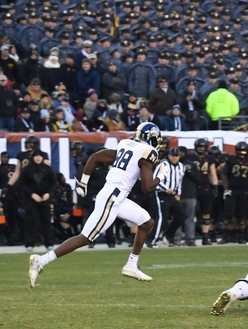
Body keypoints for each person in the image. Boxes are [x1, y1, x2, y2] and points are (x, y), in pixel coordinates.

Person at [29, 122, 162, 287]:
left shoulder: (125, 144)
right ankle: (41, 261)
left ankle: (131, 265)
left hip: (115, 196)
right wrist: (160, 177)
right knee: (85, 238)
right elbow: (147, 188)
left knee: (146, 222)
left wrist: (83, 183)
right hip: (112, 198)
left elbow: (95, 157)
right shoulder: (148, 152)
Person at [219, 141, 248, 244]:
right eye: (239, 150)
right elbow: (224, 174)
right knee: (228, 215)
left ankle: (242, 236)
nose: (241, 153)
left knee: (243, 215)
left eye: (243, 151)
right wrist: (226, 188)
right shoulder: (231, 160)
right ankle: (226, 236)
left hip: (245, 189)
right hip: (232, 189)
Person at [20, 149, 57, 250]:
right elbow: (22, 184)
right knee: (32, 220)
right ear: (32, 157)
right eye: (35, 155)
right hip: (31, 199)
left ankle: (49, 243)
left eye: (40, 156)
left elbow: (54, 183)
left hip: (45, 198)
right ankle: (30, 244)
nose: (38, 157)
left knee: (46, 221)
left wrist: (48, 193)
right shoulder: (27, 169)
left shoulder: (47, 169)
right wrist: (32, 194)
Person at [153, 147, 186, 246]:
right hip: (161, 193)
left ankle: (168, 236)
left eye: (176, 156)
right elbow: (154, 178)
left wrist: (178, 194)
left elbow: (179, 181)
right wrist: (165, 188)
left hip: (173, 195)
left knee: (181, 216)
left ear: (179, 156)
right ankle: (151, 240)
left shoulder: (181, 166)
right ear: (169, 156)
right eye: (173, 156)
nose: (174, 158)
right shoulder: (163, 165)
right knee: (163, 218)